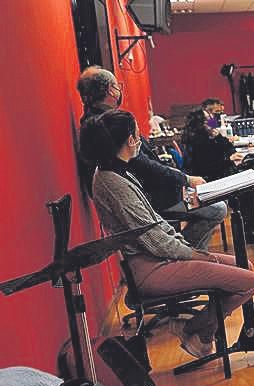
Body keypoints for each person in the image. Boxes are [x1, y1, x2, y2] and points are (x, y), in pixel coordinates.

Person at [79, 109, 254, 358]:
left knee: (246, 266)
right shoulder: (112, 181)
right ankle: (193, 329)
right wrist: (194, 254)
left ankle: (201, 334)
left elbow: (154, 223)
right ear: (130, 140)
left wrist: (188, 250)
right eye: (137, 134)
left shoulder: (118, 171)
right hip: (149, 267)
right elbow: (152, 239)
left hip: (158, 258)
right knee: (249, 281)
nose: (141, 139)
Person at [76, 66, 227, 251]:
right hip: (156, 195)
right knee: (218, 208)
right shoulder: (106, 125)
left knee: (218, 203)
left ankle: (191, 255)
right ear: (110, 90)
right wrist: (186, 179)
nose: (220, 110)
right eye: (217, 108)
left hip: (167, 185)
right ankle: (187, 252)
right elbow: (141, 164)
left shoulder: (98, 120)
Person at [182, 109, 241, 182]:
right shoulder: (198, 141)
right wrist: (229, 159)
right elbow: (208, 167)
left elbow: (228, 147)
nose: (211, 122)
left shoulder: (210, 136)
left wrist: (218, 135)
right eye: (208, 119)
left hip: (220, 174)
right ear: (200, 124)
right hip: (210, 179)